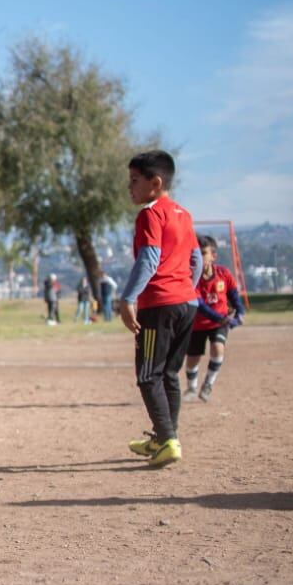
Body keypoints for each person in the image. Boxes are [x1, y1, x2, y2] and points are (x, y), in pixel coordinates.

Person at [119, 150, 201, 468]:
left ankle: (167, 440)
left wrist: (128, 299)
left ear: (155, 183)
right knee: (169, 374)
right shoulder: (183, 214)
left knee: (148, 374)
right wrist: (186, 290)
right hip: (186, 303)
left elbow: (150, 258)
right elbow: (195, 260)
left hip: (160, 305)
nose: (130, 187)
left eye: (135, 181)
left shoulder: (151, 214)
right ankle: (165, 436)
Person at [185, 234, 245, 402]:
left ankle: (208, 384)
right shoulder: (192, 278)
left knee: (218, 348)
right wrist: (221, 318)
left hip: (219, 323)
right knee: (192, 359)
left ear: (213, 256)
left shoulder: (224, 274)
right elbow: (200, 305)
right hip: (198, 324)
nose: (199, 257)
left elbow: (234, 296)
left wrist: (240, 312)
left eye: (203, 253)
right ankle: (191, 387)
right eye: (196, 253)